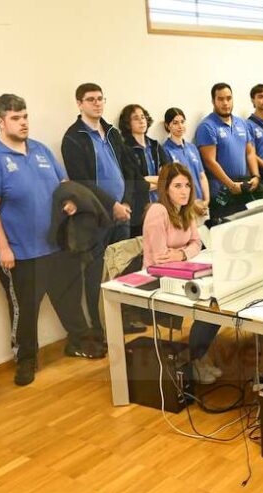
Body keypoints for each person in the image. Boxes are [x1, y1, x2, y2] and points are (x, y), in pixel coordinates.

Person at [0, 94, 97, 387]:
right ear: (1, 122)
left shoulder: (40, 150)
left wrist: (69, 202)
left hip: (57, 244)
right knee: (25, 311)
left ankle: (77, 341)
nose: (23, 122)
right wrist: (3, 248)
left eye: (25, 116)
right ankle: (26, 359)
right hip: (21, 252)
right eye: (16, 118)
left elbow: (63, 184)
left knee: (68, 300)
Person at [62, 83, 145, 338]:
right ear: (79, 104)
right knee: (97, 274)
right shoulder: (73, 138)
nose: (97, 104)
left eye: (100, 99)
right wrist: (113, 206)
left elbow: (130, 170)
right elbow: (82, 182)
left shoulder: (112, 132)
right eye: (90, 100)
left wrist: (128, 203)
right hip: (94, 219)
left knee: (122, 271)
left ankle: (122, 318)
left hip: (122, 214)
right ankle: (101, 327)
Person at [141, 162, 222, 382]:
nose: (184, 190)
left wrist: (182, 255)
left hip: (181, 270)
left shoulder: (186, 211)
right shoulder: (158, 211)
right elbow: (160, 258)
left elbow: (197, 243)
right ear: (165, 189)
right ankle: (197, 360)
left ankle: (200, 356)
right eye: (177, 186)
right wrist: (182, 254)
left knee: (218, 302)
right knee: (209, 307)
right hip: (157, 279)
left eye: (187, 185)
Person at [195, 83, 260, 222]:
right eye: (220, 99)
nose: (225, 103)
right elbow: (209, 161)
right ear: (213, 101)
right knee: (225, 234)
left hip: (242, 186)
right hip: (221, 191)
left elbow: (249, 152)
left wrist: (256, 176)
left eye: (229, 98)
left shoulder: (241, 123)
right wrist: (230, 185)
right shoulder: (207, 126)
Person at [118, 103, 169, 236]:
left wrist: (151, 180)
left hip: (162, 204)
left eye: (143, 117)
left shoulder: (155, 145)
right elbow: (136, 183)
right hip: (140, 209)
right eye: (136, 118)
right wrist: (161, 181)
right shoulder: (125, 148)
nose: (141, 120)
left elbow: (170, 175)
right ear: (127, 124)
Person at [161, 107, 209, 217]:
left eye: (182, 122)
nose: (180, 126)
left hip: (202, 205)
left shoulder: (192, 148)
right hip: (183, 208)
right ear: (168, 125)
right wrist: (192, 204)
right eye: (175, 123)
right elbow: (170, 184)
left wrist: (206, 201)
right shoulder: (165, 150)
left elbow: (202, 176)